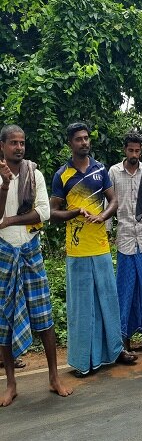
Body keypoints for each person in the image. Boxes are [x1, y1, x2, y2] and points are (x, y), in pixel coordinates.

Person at [50, 122, 137, 377]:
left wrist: (103, 216)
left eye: (86, 138)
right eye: (78, 139)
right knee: (81, 306)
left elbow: (114, 201)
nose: (84, 142)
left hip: (100, 245)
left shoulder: (100, 170)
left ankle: (115, 350)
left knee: (108, 301)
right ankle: (82, 360)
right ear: (70, 143)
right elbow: (53, 213)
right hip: (76, 250)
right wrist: (73, 212)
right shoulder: (62, 175)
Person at [0, 125, 72, 406]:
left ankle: (54, 378)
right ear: (2, 146)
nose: (19, 147)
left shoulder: (35, 174)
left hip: (30, 251)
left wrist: (10, 221)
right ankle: (11, 384)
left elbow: (43, 212)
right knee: (5, 320)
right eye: (13, 143)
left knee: (44, 317)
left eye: (22, 142)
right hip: (4, 253)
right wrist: (5, 185)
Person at [109, 130, 142, 351]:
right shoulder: (113, 172)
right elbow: (107, 204)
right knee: (125, 290)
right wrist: (107, 232)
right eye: (131, 150)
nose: (134, 154)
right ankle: (124, 338)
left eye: (138, 151)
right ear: (124, 150)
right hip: (126, 239)